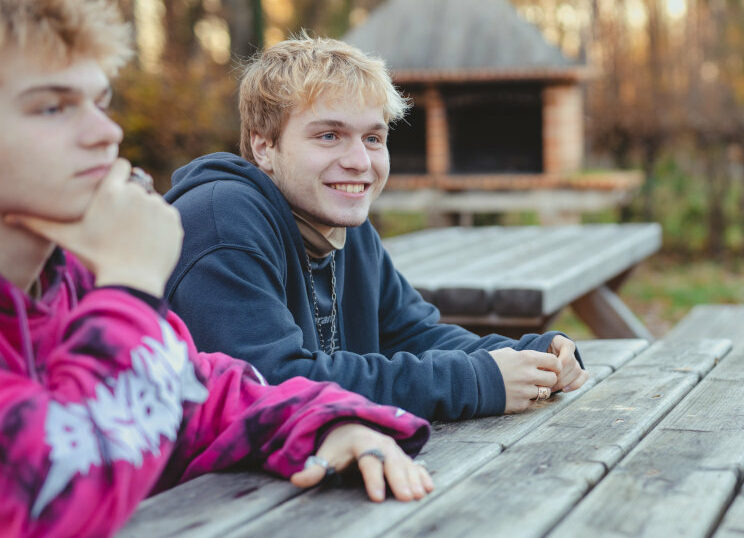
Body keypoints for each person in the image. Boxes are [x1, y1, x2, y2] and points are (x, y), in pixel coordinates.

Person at [0, 1, 433, 534]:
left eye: (99, 102)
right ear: (263, 146)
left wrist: (322, 423)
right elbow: (45, 494)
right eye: (51, 107)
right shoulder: (124, 273)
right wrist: (131, 289)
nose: (105, 133)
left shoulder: (70, 284)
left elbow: (202, 391)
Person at [163, 35, 587, 422]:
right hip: (203, 499)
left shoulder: (343, 226)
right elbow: (271, 385)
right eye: (329, 136)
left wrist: (530, 356)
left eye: (373, 138)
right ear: (264, 146)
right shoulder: (220, 221)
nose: (360, 163)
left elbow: (414, 335)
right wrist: (476, 381)